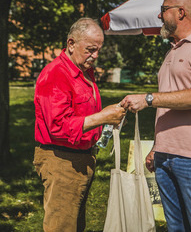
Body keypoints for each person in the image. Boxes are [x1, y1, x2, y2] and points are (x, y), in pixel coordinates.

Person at [121, 0, 191, 231]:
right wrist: (158, 145)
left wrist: (147, 99)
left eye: (163, 10)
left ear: (181, 12)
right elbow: (170, 103)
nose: (159, 17)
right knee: (175, 227)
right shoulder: (172, 50)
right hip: (164, 155)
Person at [33, 18, 126, 232]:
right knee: (61, 226)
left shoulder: (83, 71)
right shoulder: (56, 73)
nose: (95, 56)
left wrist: (105, 114)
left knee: (75, 224)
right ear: (71, 44)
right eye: (91, 50)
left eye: (98, 50)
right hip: (61, 159)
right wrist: (103, 117)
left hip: (80, 156)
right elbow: (58, 126)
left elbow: (83, 113)